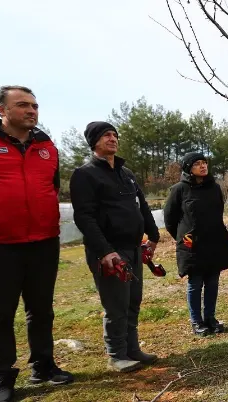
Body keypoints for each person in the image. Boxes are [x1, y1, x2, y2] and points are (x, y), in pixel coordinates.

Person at [0, 86, 73, 402]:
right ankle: (3, 380)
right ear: (1, 109)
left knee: (42, 310)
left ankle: (44, 366)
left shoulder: (46, 145)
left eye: (34, 106)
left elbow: (51, 187)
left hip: (44, 241)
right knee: (0, 315)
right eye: (22, 105)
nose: (31, 111)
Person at [70, 122, 161, 373]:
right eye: (106, 135)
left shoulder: (126, 173)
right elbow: (84, 218)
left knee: (133, 300)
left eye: (114, 135)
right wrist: (104, 251)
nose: (113, 139)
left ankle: (132, 349)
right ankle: (116, 354)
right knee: (116, 304)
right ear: (94, 141)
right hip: (110, 251)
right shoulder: (85, 174)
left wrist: (153, 236)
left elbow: (142, 206)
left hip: (133, 247)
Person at [164, 152, 228, 336]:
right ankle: (196, 321)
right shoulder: (179, 189)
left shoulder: (214, 188)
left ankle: (210, 318)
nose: (203, 166)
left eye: (204, 162)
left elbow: (218, 212)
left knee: (212, 282)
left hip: (214, 241)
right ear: (189, 168)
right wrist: (183, 237)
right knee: (195, 283)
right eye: (197, 163)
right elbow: (170, 220)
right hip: (192, 245)